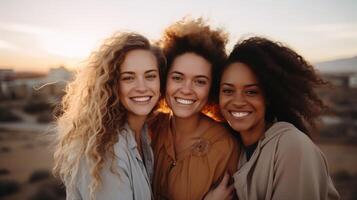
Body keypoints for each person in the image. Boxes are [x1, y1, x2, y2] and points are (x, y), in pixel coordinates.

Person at [218, 36, 340, 199]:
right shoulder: (231, 150)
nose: (238, 101)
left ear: (267, 97)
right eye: (228, 91)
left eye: (251, 92)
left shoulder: (291, 146)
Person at [53, 32, 166, 200]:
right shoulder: (105, 152)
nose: (142, 87)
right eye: (128, 78)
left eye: (150, 76)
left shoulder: (143, 135)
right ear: (112, 85)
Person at [149, 18, 239, 200]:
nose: (187, 89)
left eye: (199, 81)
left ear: (212, 87)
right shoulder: (151, 128)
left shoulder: (225, 147)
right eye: (178, 78)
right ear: (164, 79)